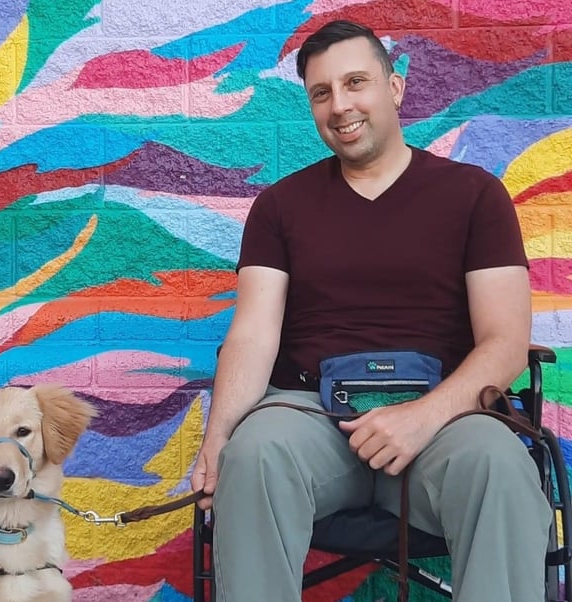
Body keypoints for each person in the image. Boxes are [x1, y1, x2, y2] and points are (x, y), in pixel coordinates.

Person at [190, 19, 553, 602]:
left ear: (395, 87)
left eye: (356, 82)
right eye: (322, 92)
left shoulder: (475, 195)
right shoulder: (279, 207)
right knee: (252, 454)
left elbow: (505, 341)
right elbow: (253, 335)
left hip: (444, 418)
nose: (341, 105)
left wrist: (422, 417)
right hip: (311, 414)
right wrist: (217, 441)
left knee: (502, 467)